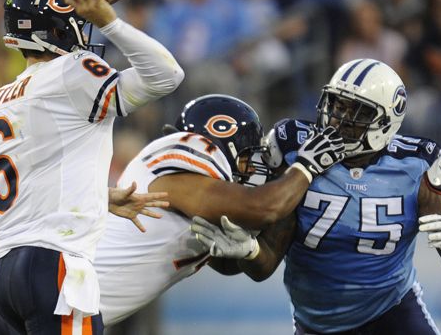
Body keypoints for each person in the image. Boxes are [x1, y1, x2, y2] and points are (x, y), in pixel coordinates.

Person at [192, 58, 441, 335]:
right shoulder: (293, 150)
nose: (340, 119)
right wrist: (250, 251)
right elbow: (265, 264)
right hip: (319, 323)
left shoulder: (417, 164)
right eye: (337, 105)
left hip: (394, 312)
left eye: (358, 112)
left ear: (386, 122)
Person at [0, 0, 184, 335]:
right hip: (53, 266)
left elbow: (31, 178)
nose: (87, 31)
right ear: (59, 28)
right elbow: (167, 74)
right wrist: (110, 22)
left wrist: (97, 196)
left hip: (2, 278)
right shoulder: (71, 72)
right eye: (81, 23)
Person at [95, 93, 346, 327]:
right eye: (247, 156)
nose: (250, 169)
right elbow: (263, 208)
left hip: (77, 306)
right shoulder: (180, 172)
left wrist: (248, 250)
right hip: (65, 293)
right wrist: (306, 167)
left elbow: (230, 263)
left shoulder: (197, 199)